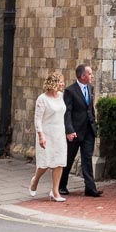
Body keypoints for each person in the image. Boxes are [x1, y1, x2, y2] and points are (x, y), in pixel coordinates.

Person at [60, 63, 102, 197]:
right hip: (75, 131)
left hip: (88, 130)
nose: (92, 76)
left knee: (87, 159)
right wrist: (69, 130)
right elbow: (67, 112)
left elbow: (90, 109)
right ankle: (61, 186)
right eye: (90, 74)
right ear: (83, 76)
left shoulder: (90, 88)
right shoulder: (70, 91)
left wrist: (94, 125)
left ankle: (90, 188)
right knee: (68, 159)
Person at [30, 69, 68, 202]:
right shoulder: (42, 99)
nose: (63, 84)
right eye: (61, 82)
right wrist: (41, 135)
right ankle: (35, 180)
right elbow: (38, 119)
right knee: (44, 164)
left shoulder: (62, 96)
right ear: (54, 83)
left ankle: (55, 191)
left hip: (59, 133)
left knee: (59, 162)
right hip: (46, 134)